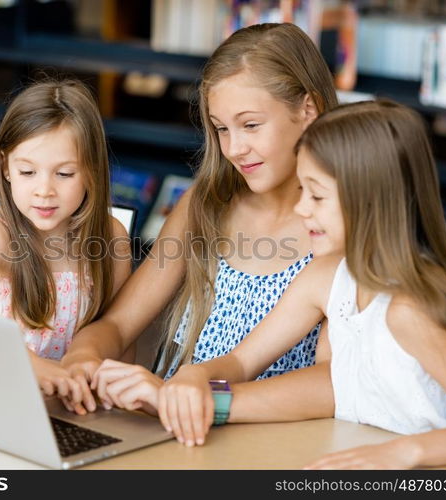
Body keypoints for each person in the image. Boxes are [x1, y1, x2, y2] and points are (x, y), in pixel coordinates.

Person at [133, 100, 446, 469]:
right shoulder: (326, 278)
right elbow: (243, 359)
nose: (302, 208)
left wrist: (407, 452)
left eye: (317, 195)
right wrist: (193, 379)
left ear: (371, 200)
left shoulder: (409, 311)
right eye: (303, 190)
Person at [62, 23, 339, 412]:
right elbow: (119, 324)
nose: (235, 148)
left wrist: (204, 401)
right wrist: (81, 360)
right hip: (175, 424)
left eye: (251, 125)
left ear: (308, 110)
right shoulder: (204, 205)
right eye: (221, 128)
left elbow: (331, 382)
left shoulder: (336, 227)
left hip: (268, 438)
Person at [0, 79, 132, 410]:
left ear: (92, 171)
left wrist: (113, 401)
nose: (44, 190)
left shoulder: (112, 237)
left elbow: (122, 335)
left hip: (75, 405)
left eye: (63, 174)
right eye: (27, 172)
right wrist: (35, 367)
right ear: (6, 167)